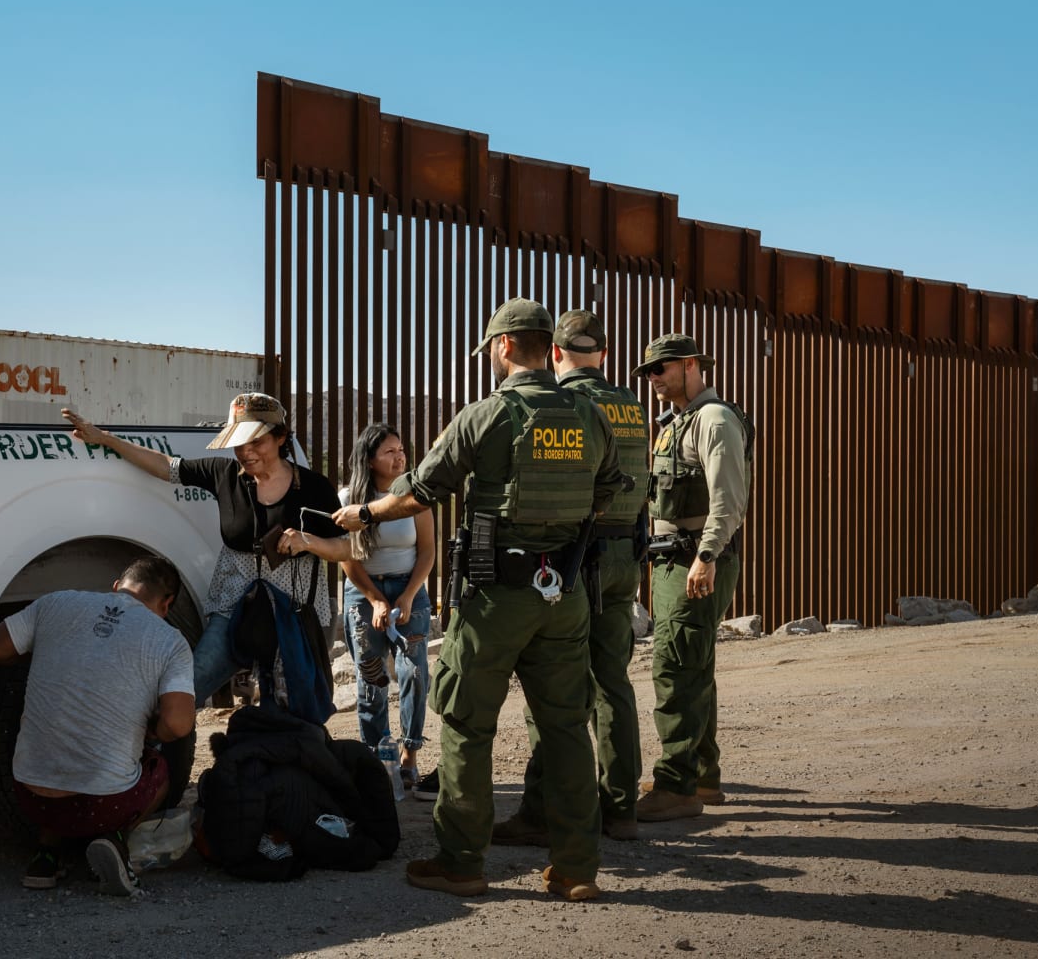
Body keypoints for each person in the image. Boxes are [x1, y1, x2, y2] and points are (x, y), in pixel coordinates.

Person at [334, 298, 622, 902]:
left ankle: (462, 861)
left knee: (467, 724)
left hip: (496, 597)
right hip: (562, 593)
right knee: (568, 726)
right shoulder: (591, 415)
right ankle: (576, 867)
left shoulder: (488, 415)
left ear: (505, 346)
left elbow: (419, 492)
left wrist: (364, 512)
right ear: (550, 346)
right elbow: (607, 491)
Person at [61, 393, 350, 707]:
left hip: (293, 612)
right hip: (233, 609)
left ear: (280, 438)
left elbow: (347, 548)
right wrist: (105, 439)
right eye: (240, 444)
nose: (247, 453)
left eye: (257, 443)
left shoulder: (313, 487)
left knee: (291, 705)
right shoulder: (224, 475)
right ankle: (153, 750)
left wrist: (308, 542)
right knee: (189, 686)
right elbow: (164, 466)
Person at [491, 309, 649, 845]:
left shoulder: (572, 406)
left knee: (554, 687)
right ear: (603, 354)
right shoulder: (631, 405)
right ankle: (622, 809)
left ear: (555, 354)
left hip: (576, 558)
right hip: (628, 552)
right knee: (614, 679)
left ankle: (541, 811)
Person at [0, 556, 194, 896]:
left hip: (31, 800)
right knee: (159, 769)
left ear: (117, 587)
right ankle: (114, 839)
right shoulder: (170, 641)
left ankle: (46, 855)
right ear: (166, 604)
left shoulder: (56, 603)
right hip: (104, 807)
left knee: (57, 758)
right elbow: (179, 724)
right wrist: (154, 733)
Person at [631, 334, 752, 822]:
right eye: (648, 373)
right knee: (694, 664)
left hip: (694, 560)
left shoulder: (714, 420)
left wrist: (706, 555)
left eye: (660, 369)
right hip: (674, 561)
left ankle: (677, 785)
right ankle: (702, 774)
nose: (653, 379)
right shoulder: (678, 423)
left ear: (689, 365)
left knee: (675, 668)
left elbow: (729, 499)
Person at [337, 423, 436, 785]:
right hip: (363, 592)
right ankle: (378, 757)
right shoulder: (349, 498)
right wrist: (376, 600)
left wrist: (408, 595)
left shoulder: (413, 495)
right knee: (372, 677)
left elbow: (427, 552)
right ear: (370, 459)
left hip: (410, 588)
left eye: (401, 450)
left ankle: (409, 753)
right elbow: (346, 557)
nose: (399, 457)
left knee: (414, 672)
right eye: (389, 452)